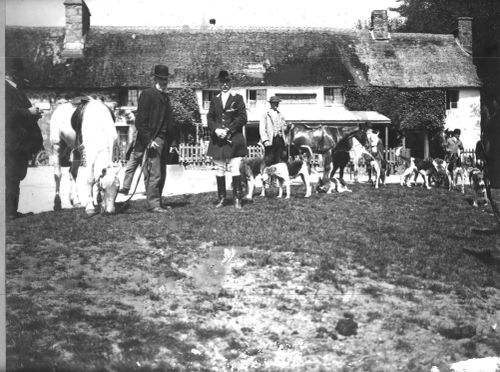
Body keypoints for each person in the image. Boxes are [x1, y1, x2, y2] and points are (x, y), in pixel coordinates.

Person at [133, 64, 176, 213]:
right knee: (154, 173)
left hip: (164, 139)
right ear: (156, 78)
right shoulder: (147, 94)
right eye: (162, 79)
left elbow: (170, 121)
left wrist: (173, 141)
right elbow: (140, 121)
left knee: (162, 173)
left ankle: (158, 201)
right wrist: (148, 140)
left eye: (166, 79)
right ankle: (154, 204)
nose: (165, 82)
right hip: (154, 139)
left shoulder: (165, 96)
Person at [5, 57, 43, 220]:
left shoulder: (15, 89)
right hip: (11, 142)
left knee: (15, 176)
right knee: (11, 176)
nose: (23, 77)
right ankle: (9, 212)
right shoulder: (5, 89)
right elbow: (7, 114)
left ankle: (12, 210)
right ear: (13, 73)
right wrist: (29, 113)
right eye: (20, 73)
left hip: (18, 142)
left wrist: (33, 114)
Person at [207, 70, 248, 209]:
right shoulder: (215, 99)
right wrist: (217, 129)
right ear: (219, 84)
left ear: (231, 83)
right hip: (218, 139)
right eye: (222, 83)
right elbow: (209, 118)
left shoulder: (238, 98)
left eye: (227, 82)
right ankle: (222, 198)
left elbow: (243, 118)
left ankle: (237, 198)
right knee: (219, 169)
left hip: (234, 139)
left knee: (235, 168)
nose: (225, 85)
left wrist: (228, 130)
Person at [259, 96, 289, 166]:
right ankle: (267, 175)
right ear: (271, 104)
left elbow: (284, 126)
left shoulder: (280, 114)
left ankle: (276, 174)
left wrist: (287, 127)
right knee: (269, 159)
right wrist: (265, 140)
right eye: (274, 103)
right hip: (270, 140)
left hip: (280, 139)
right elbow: (262, 128)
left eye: (277, 103)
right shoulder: (266, 114)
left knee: (279, 159)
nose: (276, 105)